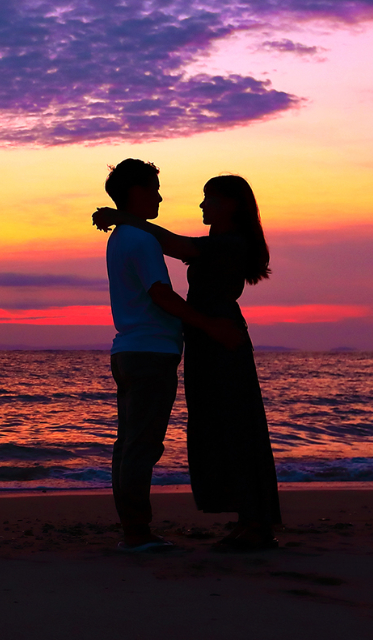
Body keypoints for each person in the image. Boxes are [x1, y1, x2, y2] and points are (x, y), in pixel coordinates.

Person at [94, 174, 282, 551]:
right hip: (203, 338)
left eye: (208, 198)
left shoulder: (230, 244)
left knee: (237, 425)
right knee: (216, 425)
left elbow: (173, 244)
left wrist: (120, 216)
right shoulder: (216, 243)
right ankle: (246, 518)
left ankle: (256, 521)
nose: (201, 205)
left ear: (230, 204)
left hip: (218, 334)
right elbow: (175, 246)